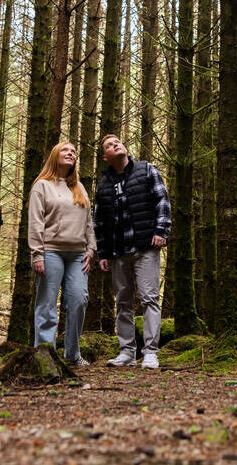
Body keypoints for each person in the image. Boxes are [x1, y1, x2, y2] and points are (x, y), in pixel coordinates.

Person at [93, 134, 171, 369]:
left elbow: (162, 201)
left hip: (145, 247)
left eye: (117, 141)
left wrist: (161, 230)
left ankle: (150, 352)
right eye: (109, 145)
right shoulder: (104, 185)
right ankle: (127, 352)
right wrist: (103, 252)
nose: (115, 144)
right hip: (117, 252)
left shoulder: (147, 170)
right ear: (106, 157)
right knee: (123, 302)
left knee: (149, 298)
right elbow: (100, 222)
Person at [28, 141, 96, 368]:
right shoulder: (42, 185)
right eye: (66, 150)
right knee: (47, 304)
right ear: (55, 155)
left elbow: (88, 223)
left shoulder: (79, 187)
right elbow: (36, 222)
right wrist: (37, 253)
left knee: (79, 300)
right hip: (50, 251)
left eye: (74, 151)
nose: (71, 153)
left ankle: (72, 355)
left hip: (77, 254)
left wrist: (91, 249)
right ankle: (46, 356)